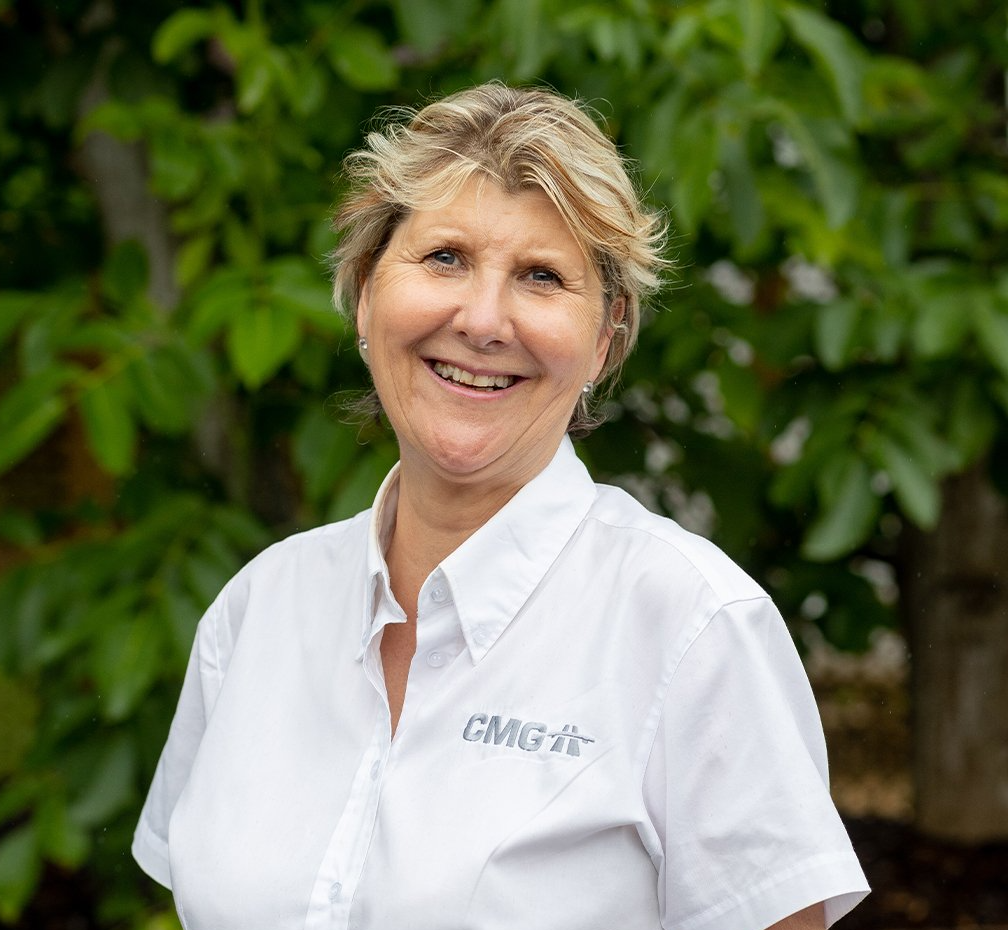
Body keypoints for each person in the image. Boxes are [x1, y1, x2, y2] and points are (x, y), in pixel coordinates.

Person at [132, 82, 869, 930]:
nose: (483, 320)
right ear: (367, 293)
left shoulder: (694, 629)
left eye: (541, 277)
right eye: (444, 257)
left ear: (605, 337)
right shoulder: (259, 609)